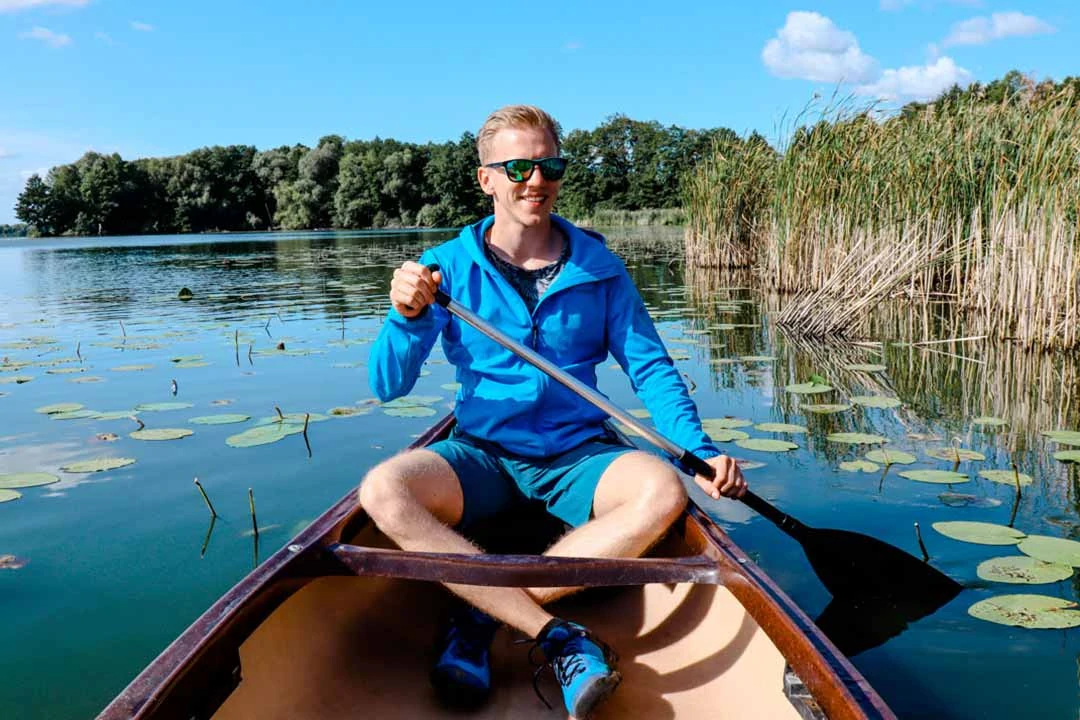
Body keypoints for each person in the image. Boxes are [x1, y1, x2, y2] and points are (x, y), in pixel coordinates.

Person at [358, 104, 747, 719]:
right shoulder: (443, 269)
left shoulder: (599, 267)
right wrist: (403, 317)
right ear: (485, 178)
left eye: (549, 166)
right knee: (383, 490)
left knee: (663, 491)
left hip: (576, 455)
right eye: (516, 167)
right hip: (481, 456)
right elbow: (387, 385)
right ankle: (557, 634)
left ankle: (482, 613)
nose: (535, 180)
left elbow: (649, 368)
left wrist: (696, 450)